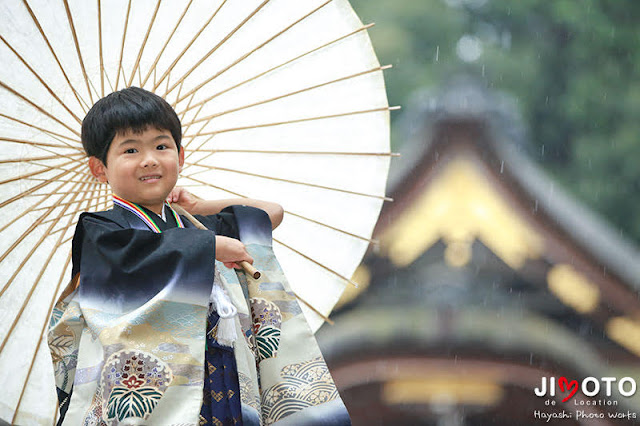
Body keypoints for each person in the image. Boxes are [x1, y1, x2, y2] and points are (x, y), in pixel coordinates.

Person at [48, 86, 350, 426]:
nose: (149, 159)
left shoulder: (195, 223)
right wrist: (210, 248)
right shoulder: (102, 229)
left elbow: (271, 212)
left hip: (219, 368)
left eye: (161, 146)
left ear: (180, 154)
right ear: (99, 168)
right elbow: (132, 256)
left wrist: (198, 206)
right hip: (151, 383)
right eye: (130, 150)